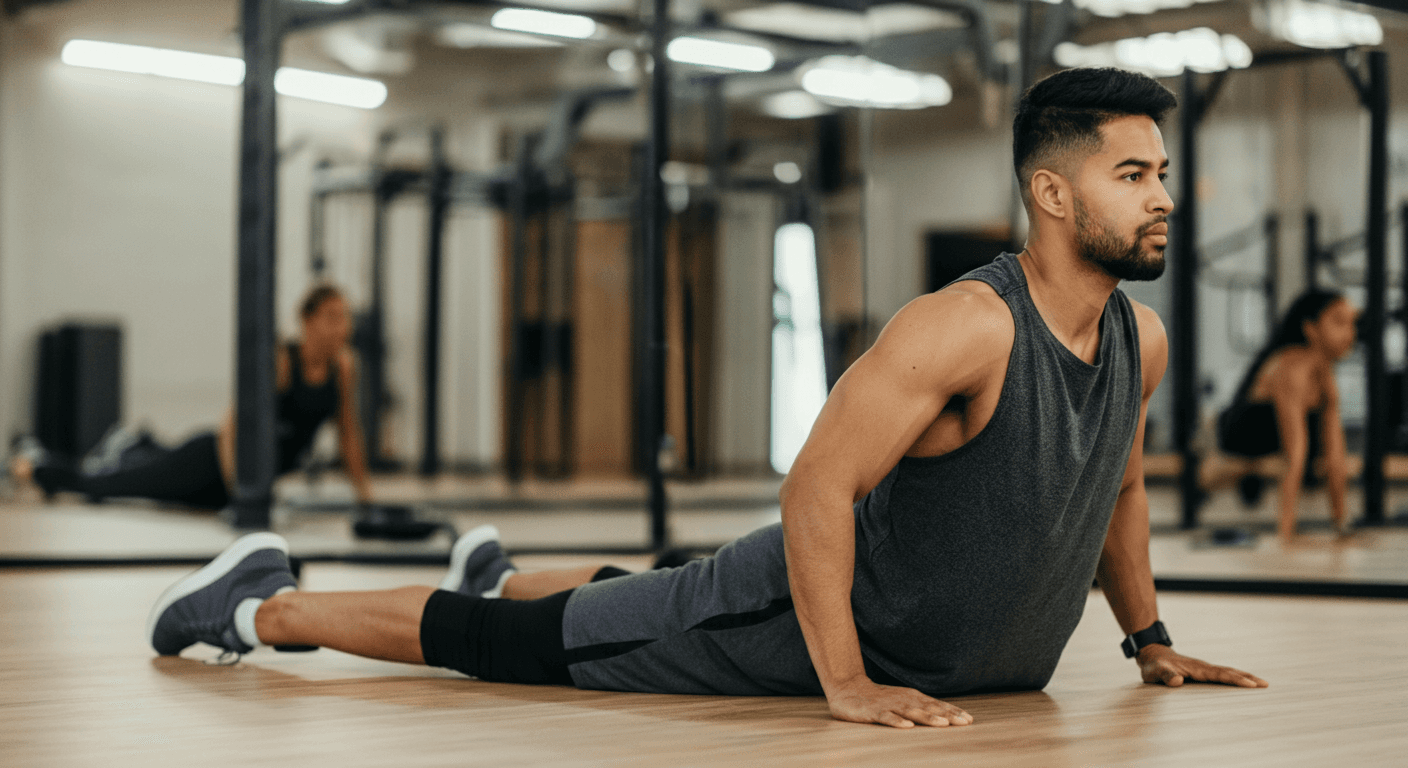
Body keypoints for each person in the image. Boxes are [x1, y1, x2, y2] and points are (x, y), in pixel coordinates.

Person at [145, 67, 1267, 729]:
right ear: (1051, 193)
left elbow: (1112, 490)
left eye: (1162, 173)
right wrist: (844, 683)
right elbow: (818, 484)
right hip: (792, 623)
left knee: (646, 596)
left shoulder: (1138, 339)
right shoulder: (968, 326)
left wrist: (1148, 637)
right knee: (511, 645)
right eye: (1136, 175)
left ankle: (495, 565)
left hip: (911, 650)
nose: (1162, 196)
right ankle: (258, 605)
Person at [14, 284, 373, 510]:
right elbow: (232, 427)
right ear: (306, 321)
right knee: (108, 486)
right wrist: (242, 496)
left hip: (230, 489)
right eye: (331, 317)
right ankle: (35, 465)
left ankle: (136, 444)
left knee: (146, 467)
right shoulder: (281, 362)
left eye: (345, 318)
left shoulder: (343, 368)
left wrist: (365, 498)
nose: (342, 327)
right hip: (211, 463)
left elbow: (349, 434)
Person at [1214, 289, 1357, 541]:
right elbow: (1295, 451)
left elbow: (1336, 453)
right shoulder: (1292, 367)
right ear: (1311, 329)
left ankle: (1250, 474)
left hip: (1279, 436)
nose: (1350, 333)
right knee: (1217, 470)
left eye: (1351, 323)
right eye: (1338, 321)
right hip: (1242, 434)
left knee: (1330, 446)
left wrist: (1341, 527)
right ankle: (1243, 470)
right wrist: (1287, 533)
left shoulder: (1324, 375)